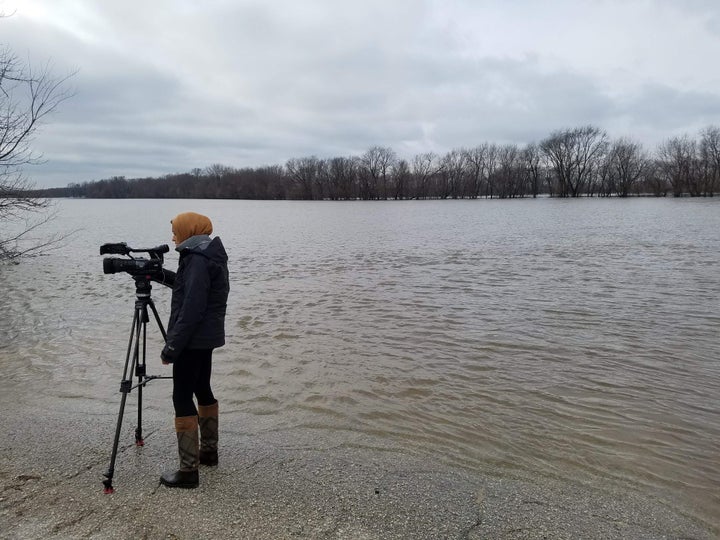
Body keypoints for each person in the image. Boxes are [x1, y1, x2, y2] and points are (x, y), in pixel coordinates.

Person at [155, 211, 229, 489]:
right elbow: (193, 290)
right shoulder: (206, 254)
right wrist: (161, 276)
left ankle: (188, 471)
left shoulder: (197, 260)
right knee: (202, 389)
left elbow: (192, 308)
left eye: (175, 231)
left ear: (188, 231)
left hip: (193, 339)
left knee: (181, 396)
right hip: (205, 338)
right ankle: (209, 453)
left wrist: (172, 347)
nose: (173, 236)